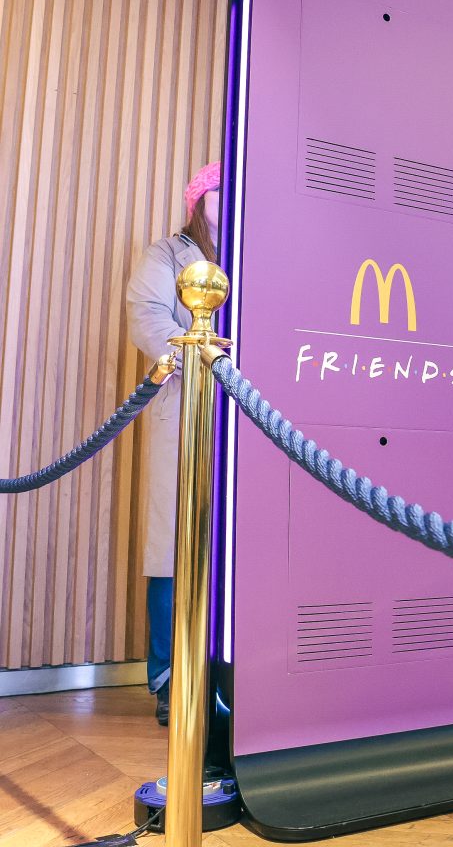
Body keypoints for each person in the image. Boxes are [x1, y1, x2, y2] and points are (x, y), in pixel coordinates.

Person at [126, 161, 221, 724]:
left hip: (249, 413)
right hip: (186, 403)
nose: (226, 199)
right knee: (173, 546)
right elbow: (147, 315)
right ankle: (168, 678)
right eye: (217, 190)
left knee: (235, 545)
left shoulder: (258, 253)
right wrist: (198, 354)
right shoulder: (168, 253)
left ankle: (229, 675)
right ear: (198, 200)